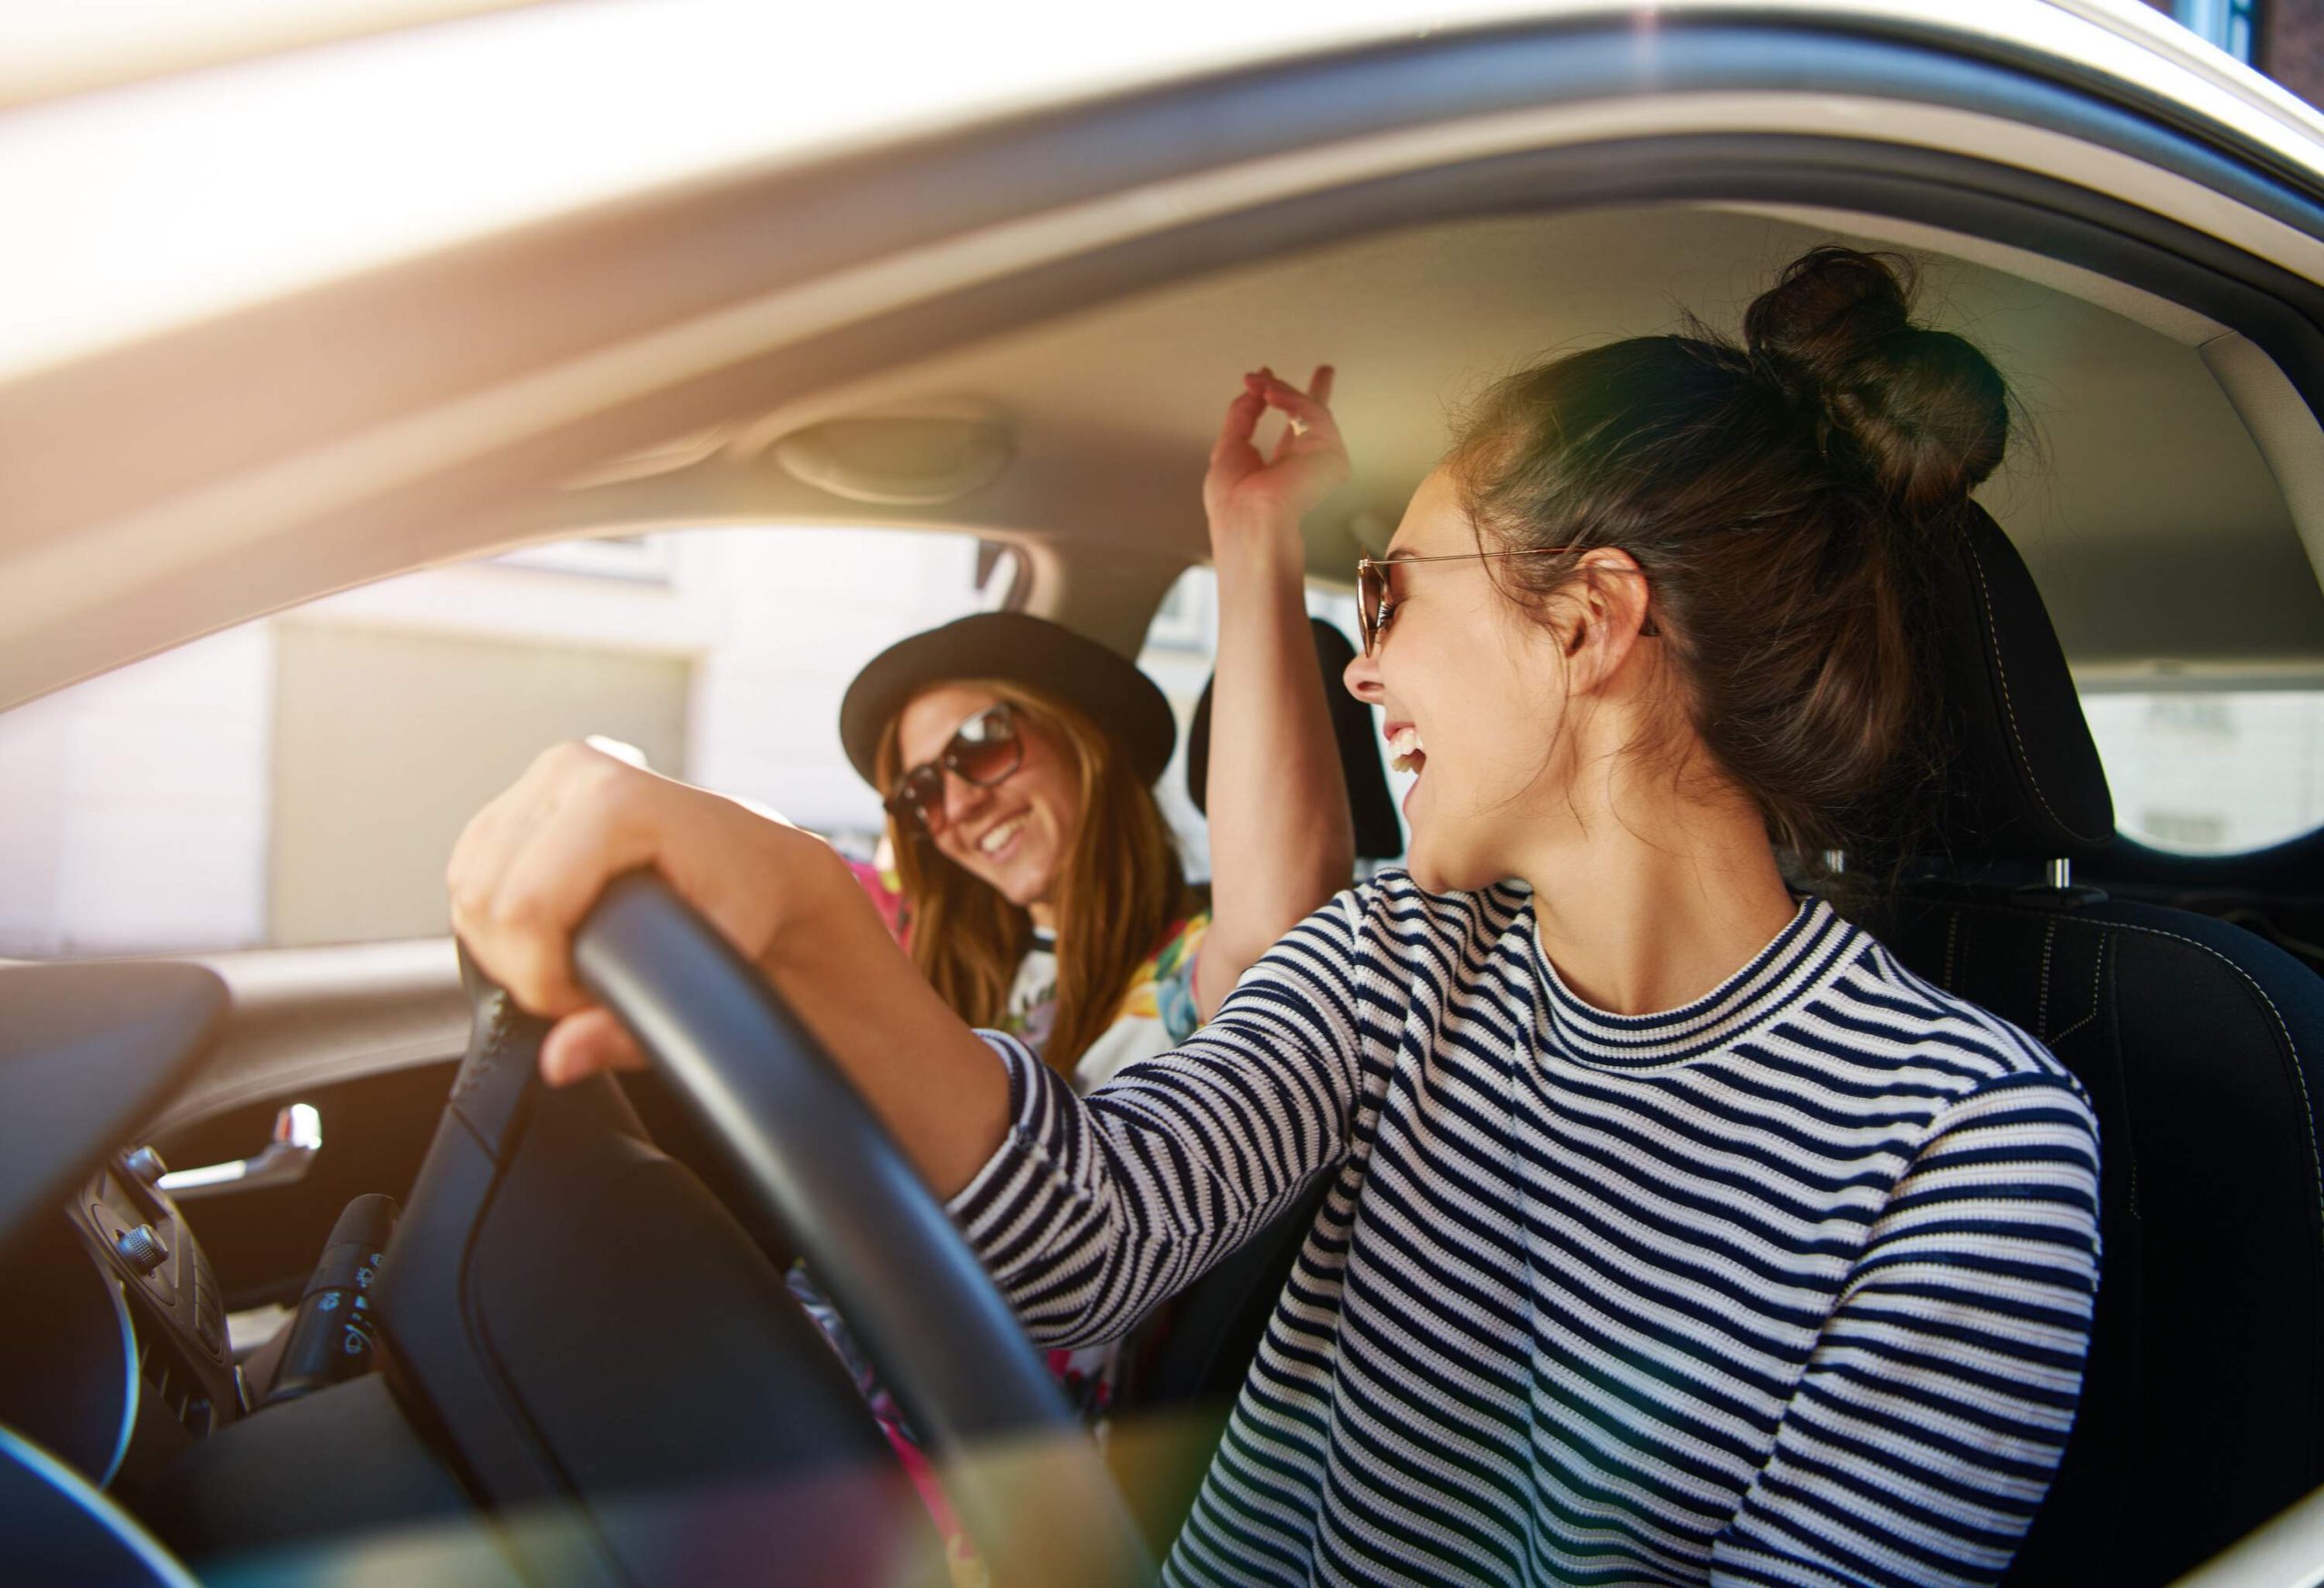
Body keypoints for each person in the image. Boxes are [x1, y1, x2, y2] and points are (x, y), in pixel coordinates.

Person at [448, 247, 2101, 1588]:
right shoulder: (1404, 955)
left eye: (1388, 592)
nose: (1363, 661)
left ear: (1591, 620)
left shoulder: (1972, 1150)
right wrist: (806, 919)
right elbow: (1090, 1235)